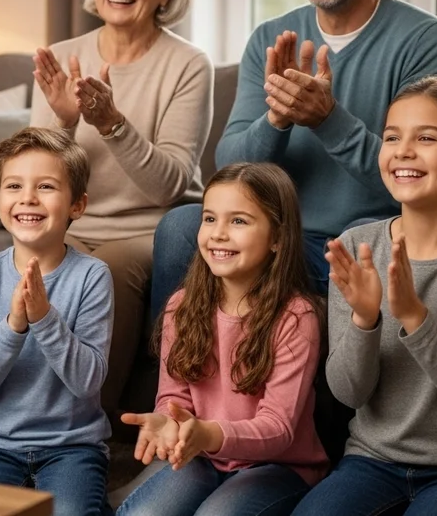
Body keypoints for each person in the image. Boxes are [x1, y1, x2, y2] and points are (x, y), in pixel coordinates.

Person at [149, 0, 437, 323]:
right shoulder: (269, 39)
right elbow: (230, 163)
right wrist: (277, 118)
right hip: (272, 241)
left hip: (361, 236)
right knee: (180, 227)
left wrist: (327, 118)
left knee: (364, 241)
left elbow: (420, 179)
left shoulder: (426, 41)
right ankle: (171, 386)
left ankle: (350, 393)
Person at [292, 77, 437, 515]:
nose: (403, 150)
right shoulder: (358, 245)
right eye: (392, 137)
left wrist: (414, 317)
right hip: (373, 460)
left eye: (426, 138)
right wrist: (365, 320)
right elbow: (348, 393)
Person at [32, 0, 212, 416]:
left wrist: (112, 124)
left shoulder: (187, 64)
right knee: (6, 267)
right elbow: (32, 180)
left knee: (103, 272)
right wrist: (65, 124)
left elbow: (170, 185)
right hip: (68, 224)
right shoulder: (62, 58)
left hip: (147, 232)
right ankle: (12, 425)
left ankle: (83, 431)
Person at [116, 163, 327, 516]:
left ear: (277, 237)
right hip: (202, 454)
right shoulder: (181, 306)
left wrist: (208, 434)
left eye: (239, 221)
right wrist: (168, 421)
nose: (218, 234)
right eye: (210, 219)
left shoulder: (296, 317)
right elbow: (173, 396)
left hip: (277, 465)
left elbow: (278, 429)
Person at [0, 128, 113, 516]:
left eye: (45, 186)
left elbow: (88, 381)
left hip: (72, 447)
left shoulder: (93, 276)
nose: (27, 197)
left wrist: (44, 319)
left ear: (77, 205)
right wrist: (13, 325)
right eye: (14, 186)